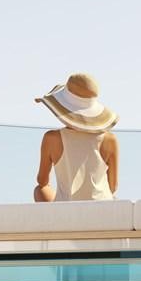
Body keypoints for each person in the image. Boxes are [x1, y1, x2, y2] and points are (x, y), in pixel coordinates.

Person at [33, 73, 119, 202]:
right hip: (102, 208)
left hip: (67, 209)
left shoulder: (52, 138)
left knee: (39, 190)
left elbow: (42, 180)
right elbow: (113, 187)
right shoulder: (109, 140)